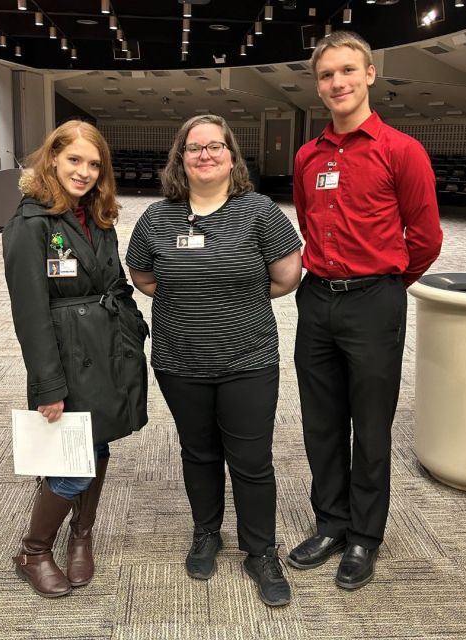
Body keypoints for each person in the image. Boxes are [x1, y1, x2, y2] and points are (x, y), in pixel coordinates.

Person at [126, 115, 302, 607]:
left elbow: (287, 276)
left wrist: (234, 301)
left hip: (248, 358)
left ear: (231, 156)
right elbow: (142, 275)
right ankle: (206, 532)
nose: (205, 155)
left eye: (215, 147)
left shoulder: (259, 211)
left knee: (251, 461)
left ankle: (260, 551)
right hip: (180, 359)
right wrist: (194, 296)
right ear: (180, 157)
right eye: (194, 147)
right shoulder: (158, 217)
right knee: (198, 452)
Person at [288, 31, 443, 590]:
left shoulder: (401, 151)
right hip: (317, 298)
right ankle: (330, 521)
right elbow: (306, 222)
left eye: (348, 71)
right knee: (321, 423)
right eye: (327, 75)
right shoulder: (308, 155)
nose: (338, 83)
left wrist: (386, 285)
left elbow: (425, 238)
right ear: (318, 84)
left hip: (375, 299)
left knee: (371, 426)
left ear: (370, 74)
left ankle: (364, 536)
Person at [3, 120, 148, 598]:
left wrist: (132, 327)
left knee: (97, 442)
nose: (83, 172)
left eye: (93, 164)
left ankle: (80, 535)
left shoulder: (97, 215)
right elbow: (30, 312)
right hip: (66, 354)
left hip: (106, 347)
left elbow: (116, 282)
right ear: (52, 159)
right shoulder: (30, 223)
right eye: (74, 160)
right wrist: (48, 385)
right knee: (71, 462)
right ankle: (35, 549)